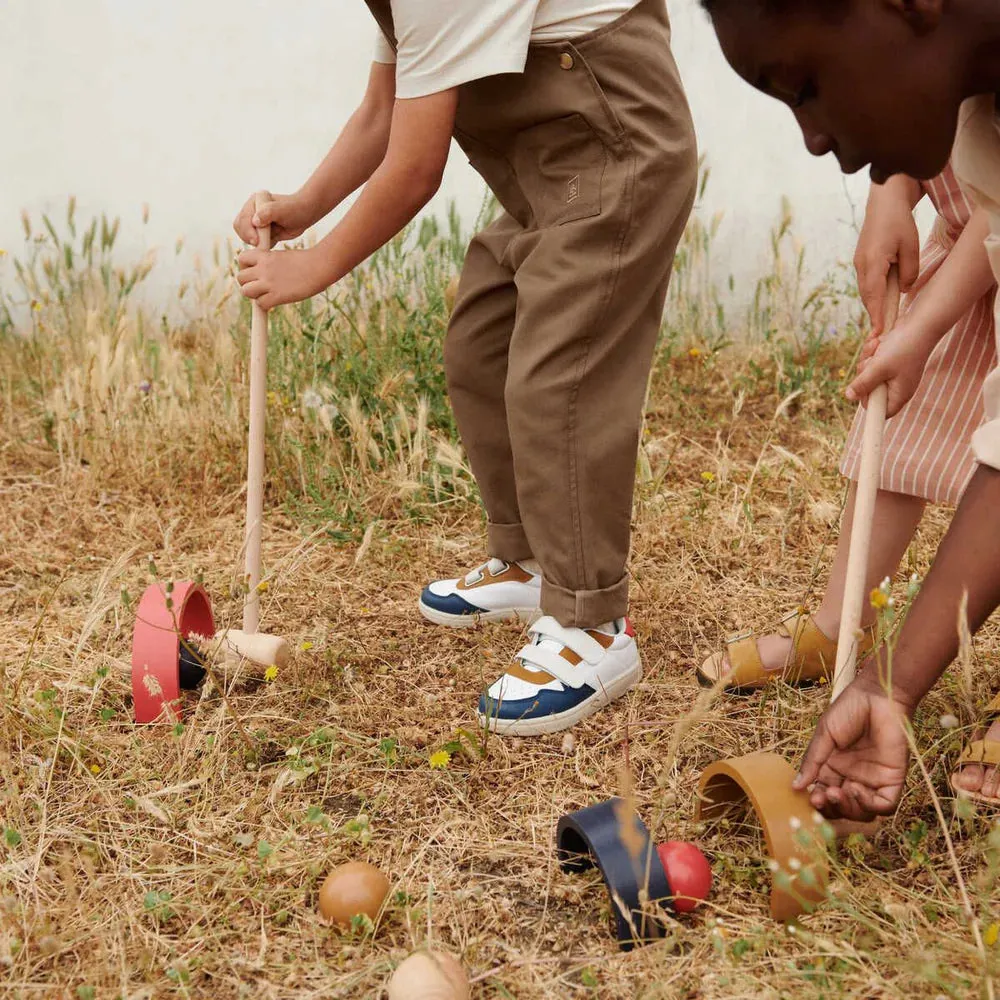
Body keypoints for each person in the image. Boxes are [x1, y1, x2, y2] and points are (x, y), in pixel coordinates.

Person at [233, 1, 698, 736]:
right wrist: (305, 206)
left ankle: (593, 625)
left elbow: (416, 168)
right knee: (481, 346)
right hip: (549, 180)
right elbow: (380, 113)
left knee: (558, 380)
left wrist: (314, 266)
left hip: (616, 157)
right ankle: (530, 560)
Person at [699, 0, 1000, 817]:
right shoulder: (977, 113)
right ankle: (838, 621)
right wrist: (890, 690)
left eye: (805, 87)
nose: (814, 138)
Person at [698, 164, 996, 699]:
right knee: (903, 422)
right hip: (965, 254)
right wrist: (891, 189)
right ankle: (840, 626)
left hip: (989, 241)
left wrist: (924, 325)